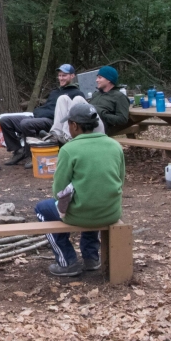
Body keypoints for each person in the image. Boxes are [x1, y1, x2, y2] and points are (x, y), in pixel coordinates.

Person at [34, 103, 125, 276]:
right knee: (94, 196)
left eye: (68, 124)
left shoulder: (69, 149)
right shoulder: (115, 146)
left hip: (82, 214)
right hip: (110, 211)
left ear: (74, 125)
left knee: (42, 209)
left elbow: (58, 192)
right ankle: (91, 258)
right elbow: (121, 180)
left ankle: (67, 261)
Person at [1, 64, 84, 167]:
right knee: (5, 120)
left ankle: (32, 155)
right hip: (37, 117)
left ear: (72, 76)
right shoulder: (55, 91)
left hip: (52, 121)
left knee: (26, 123)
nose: (61, 78)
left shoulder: (77, 93)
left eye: (64, 75)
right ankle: (18, 151)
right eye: (59, 75)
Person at [88, 66, 130, 136]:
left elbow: (122, 119)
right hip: (85, 122)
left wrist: (102, 114)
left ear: (108, 80)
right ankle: (66, 136)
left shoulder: (119, 97)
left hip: (99, 126)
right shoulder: (96, 94)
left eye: (100, 77)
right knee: (75, 99)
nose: (96, 80)